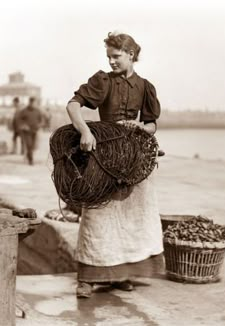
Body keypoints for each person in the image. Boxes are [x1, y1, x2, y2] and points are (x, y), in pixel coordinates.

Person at [66, 32, 163, 298]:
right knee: (98, 214)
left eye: (116, 56)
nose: (111, 61)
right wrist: (85, 131)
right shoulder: (103, 81)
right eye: (108, 56)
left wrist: (142, 126)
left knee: (132, 215)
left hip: (134, 156)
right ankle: (87, 277)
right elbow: (73, 105)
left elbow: (152, 123)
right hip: (105, 155)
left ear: (131, 55)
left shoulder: (145, 86)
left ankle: (121, 274)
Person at [18, 97, 43, 165]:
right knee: (29, 145)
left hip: (35, 131)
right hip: (27, 132)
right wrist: (24, 126)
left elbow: (41, 120)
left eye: (34, 103)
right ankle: (31, 160)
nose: (33, 104)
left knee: (33, 146)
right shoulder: (24, 111)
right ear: (30, 102)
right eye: (32, 103)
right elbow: (19, 120)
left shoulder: (38, 111)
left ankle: (28, 155)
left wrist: (39, 125)